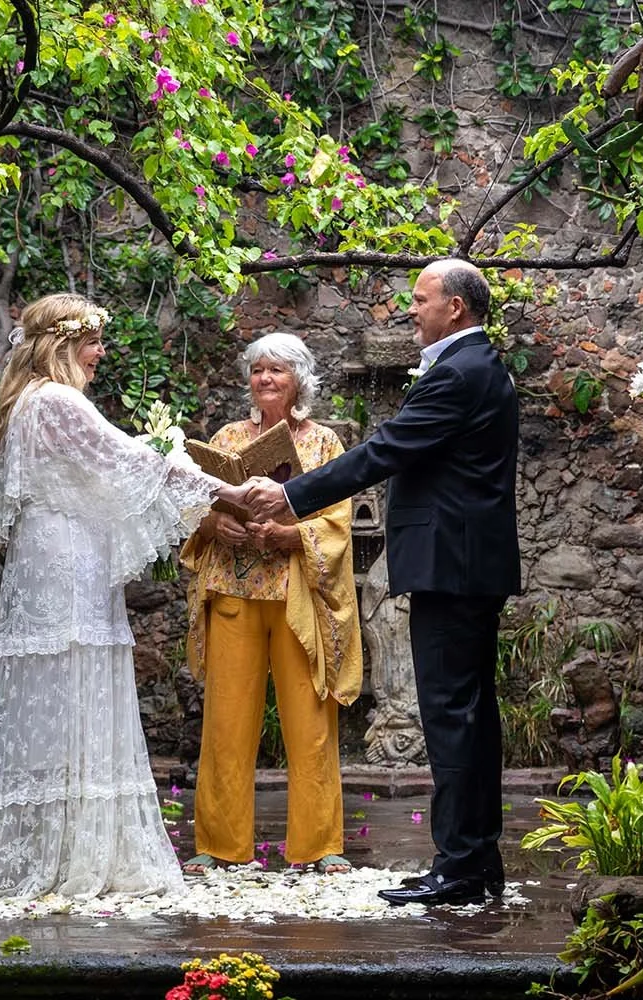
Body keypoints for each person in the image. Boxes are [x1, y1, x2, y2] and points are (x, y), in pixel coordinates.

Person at [0, 293, 252, 904]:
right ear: (63, 343)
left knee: (59, 682)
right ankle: (73, 852)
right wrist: (233, 490)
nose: (102, 353)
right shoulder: (56, 400)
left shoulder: (28, 403)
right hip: (66, 557)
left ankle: (58, 843)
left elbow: (103, 470)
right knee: (73, 672)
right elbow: (132, 461)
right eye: (94, 342)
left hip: (51, 549)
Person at [244, 259, 521, 906]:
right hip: (469, 565)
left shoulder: (459, 372)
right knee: (472, 721)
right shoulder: (477, 367)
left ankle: (459, 870)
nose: (412, 310)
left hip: (451, 567)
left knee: (453, 719)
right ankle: (476, 864)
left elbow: (385, 450)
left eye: (421, 300)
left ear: (455, 308)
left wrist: (290, 495)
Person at [177, 333, 362, 877]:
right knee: (226, 723)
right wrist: (218, 524)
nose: (265, 380)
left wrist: (291, 536)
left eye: (277, 371)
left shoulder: (324, 443)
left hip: (296, 597)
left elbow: (338, 521)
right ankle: (218, 845)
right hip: (234, 591)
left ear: (299, 379)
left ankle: (320, 846)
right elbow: (192, 506)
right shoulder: (228, 437)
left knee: (311, 722)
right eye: (257, 370)